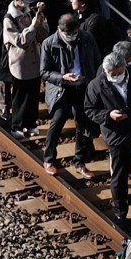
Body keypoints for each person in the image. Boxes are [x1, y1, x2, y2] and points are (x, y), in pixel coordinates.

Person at [87, 42, 131, 216]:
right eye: (113, 75)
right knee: (120, 176)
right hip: (117, 136)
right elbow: (90, 109)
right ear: (106, 72)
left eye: (120, 73)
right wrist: (108, 116)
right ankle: (120, 211)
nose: (117, 77)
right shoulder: (97, 85)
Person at [39, 11, 96, 179]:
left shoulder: (87, 38)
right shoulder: (49, 43)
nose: (71, 36)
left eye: (74, 33)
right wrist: (62, 78)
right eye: (68, 34)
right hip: (61, 89)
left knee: (82, 124)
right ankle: (49, 159)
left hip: (82, 86)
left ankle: (80, 162)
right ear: (59, 29)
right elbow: (44, 72)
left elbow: (96, 61)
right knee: (57, 122)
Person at [0, 0, 47, 136]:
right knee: (20, 96)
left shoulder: (30, 13)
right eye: (24, 0)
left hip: (34, 61)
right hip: (20, 64)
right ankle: (17, 126)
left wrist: (41, 22)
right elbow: (21, 41)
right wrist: (33, 26)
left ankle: (31, 124)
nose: (27, 4)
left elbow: (42, 36)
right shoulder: (9, 19)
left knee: (33, 95)